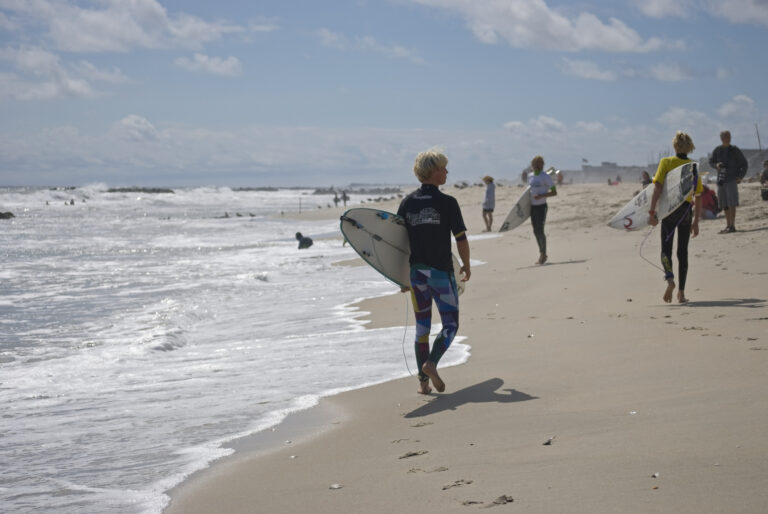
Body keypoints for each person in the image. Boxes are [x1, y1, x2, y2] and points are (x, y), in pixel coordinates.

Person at [397, 149, 471, 395]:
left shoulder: (407, 203)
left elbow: (397, 242)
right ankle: (431, 363)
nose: (447, 172)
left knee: (422, 329)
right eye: (443, 168)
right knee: (450, 325)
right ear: (433, 171)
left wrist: (399, 276)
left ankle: (423, 384)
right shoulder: (448, 203)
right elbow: (460, 238)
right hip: (440, 273)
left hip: (417, 274)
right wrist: (466, 264)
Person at [648, 131, 703, 304]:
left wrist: (652, 212)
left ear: (674, 146)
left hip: (669, 212)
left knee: (666, 249)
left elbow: (657, 188)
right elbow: (698, 195)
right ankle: (681, 293)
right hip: (686, 212)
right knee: (682, 252)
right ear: (689, 147)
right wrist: (696, 222)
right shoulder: (693, 166)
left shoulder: (666, 162)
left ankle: (670, 279)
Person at [709, 130, 748, 233]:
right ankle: (728, 225)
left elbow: (744, 164)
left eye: (729, 136)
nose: (728, 138)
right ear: (722, 138)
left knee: (732, 202)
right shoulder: (717, 150)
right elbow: (711, 161)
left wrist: (740, 176)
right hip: (721, 180)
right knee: (724, 203)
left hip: (731, 179)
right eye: (726, 136)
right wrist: (716, 165)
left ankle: (732, 226)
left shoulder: (734, 150)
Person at [528, 156, 557, 264]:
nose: (536, 165)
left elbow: (554, 192)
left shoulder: (545, 177)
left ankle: (543, 254)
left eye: (539, 163)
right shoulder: (530, 176)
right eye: (535, 163)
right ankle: (542, 253)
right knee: (535, 231)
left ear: (542, 165)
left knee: (540, 230)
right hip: (532, 207)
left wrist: (541, 196)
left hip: (541, 207)